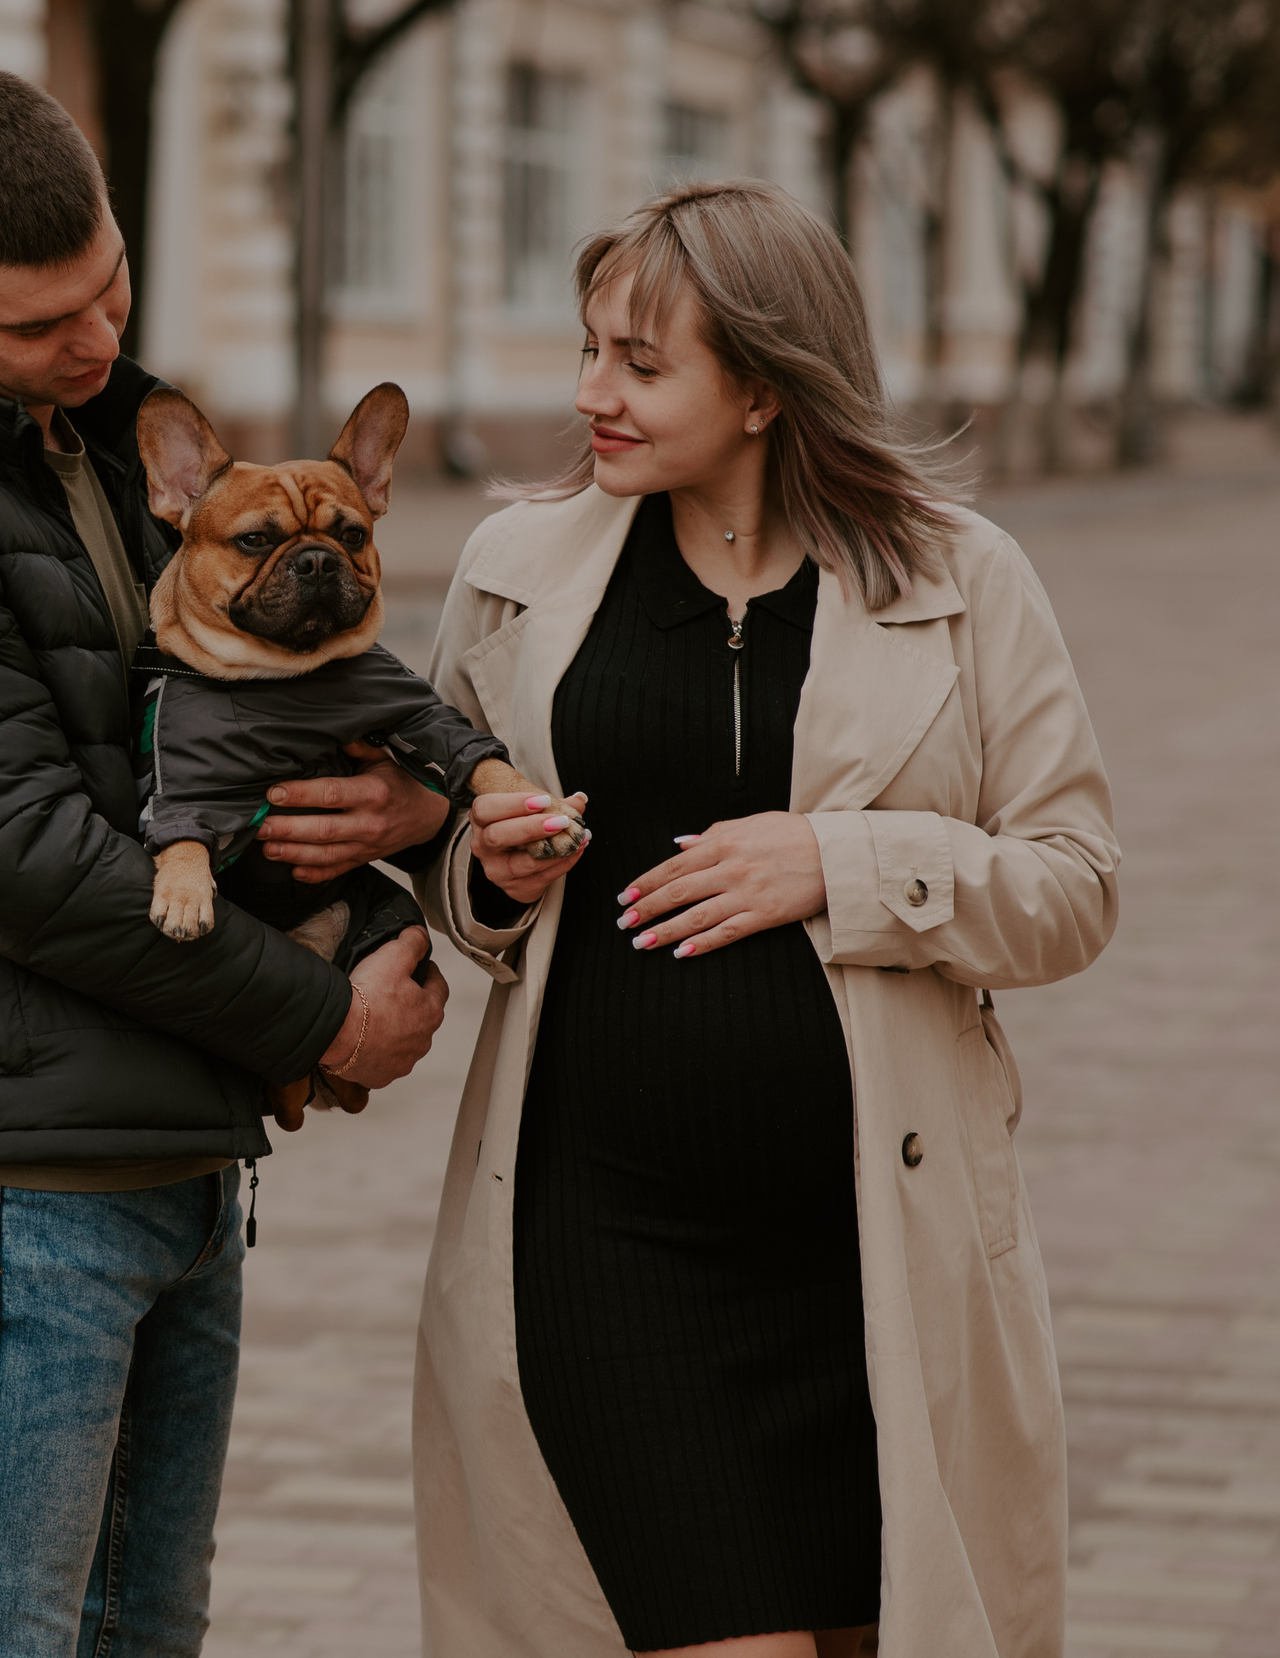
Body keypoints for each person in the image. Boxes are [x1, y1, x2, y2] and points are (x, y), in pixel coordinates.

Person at [0, 68, 454, 1658]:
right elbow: (29, 858)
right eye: (41, 323)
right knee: (12, 1640)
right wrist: (320, 1020)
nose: (96, 340)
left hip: (178, 1148)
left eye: (110, 284)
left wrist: (394, 810)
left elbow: (227, 724)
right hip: (18, 1182)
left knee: (147, 1634)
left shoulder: (123, 434)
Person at [405, 179, 1119, 1658]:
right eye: (590, 348)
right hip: (606, 1232)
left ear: (765, 389)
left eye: (640, 363)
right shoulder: (511, 573)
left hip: (875, 1256)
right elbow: (434, 850)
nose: (590, 393)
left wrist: (844, 865)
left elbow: (1073, 885)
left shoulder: (964, 582)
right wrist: (492, 875)